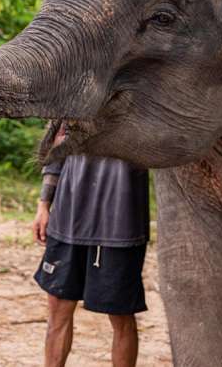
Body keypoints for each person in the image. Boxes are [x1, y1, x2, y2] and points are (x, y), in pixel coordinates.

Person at [32, 124, 150, 367]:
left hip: (119, 224)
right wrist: (43, 205)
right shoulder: (74, 91)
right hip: (68, 221)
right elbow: (57, 153)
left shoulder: (143, 91)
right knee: (58, 311)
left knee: (121, 315)